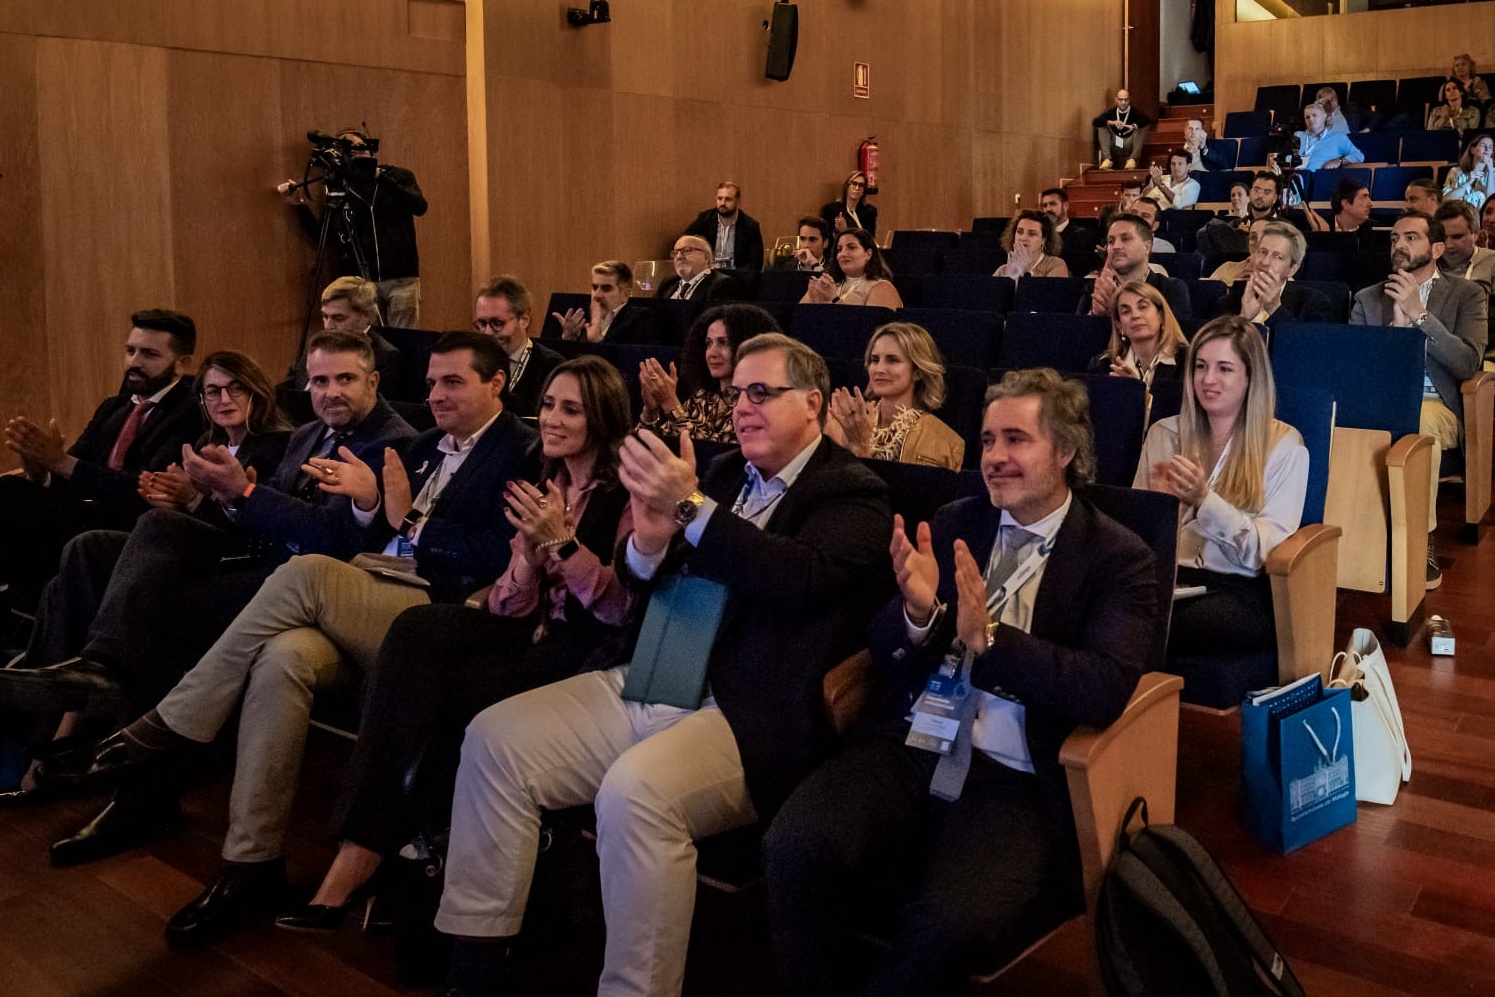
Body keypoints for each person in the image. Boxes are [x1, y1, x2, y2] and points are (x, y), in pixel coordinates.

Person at [429, 333, 893, 997]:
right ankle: (476, 968)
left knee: (634, 792)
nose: (742, 407)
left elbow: (798, 579)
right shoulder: (723, 472)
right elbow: (650, 576)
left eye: (762, 392)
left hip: (748, 710)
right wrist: (647, 542)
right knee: (495, 740)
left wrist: (688, 507)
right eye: (736, 394)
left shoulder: (851, 491)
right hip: (661, 669)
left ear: (813, 403)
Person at [40, 332, 540, 947]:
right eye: (432, 381)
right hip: (366, 588)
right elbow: (372, 530)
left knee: (295, 575)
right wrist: (365, 506)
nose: (435, 394)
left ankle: (168, 720)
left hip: (433, 614)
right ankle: (252, 863)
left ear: (497, 383)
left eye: (453, 382)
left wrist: (400, 517)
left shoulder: (521, 449)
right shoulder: (427, 444)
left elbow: (492, 554)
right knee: (282, 658)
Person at [763, 368, 1157, 996]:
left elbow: (1104, 687)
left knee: (948, 924)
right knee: (793, 848)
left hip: (1016, 777)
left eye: (1016, 440)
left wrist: (992, 642)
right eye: (988, 440)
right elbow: (883, 645)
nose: (995, 458)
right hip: (911, 744)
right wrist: (918, 616)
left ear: (1065, 451)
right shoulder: (954, 521)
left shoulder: (1118, 558)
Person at [276, 356, 637, 932]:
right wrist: (522, 568)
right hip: (530, 629)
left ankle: (379, 857)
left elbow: (619, 609)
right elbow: (512, 603)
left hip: (585, 652)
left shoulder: (626, 497)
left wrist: (562, 545)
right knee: (419, 630)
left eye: (571, 408)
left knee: (444, 694)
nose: (552, 418)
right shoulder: (550, 483)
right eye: (547, 404)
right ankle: (374, 846)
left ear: (602, 418)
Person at [0, 334, 417, 746]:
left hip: (304, 581)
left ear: (374, 382)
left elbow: (331, 538)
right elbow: (256, 512)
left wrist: (242, 494)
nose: (331, 393)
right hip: (255, 555)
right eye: (320, 382)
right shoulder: (307, 434)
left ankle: (108, 744)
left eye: (345, 379)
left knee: (156, 598)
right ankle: (71, 692)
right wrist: (226, 497)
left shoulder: (392, 443)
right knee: (99, 545)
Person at [0, 352, 293, 796]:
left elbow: (263, 527)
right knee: (85, 550)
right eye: (213, 390)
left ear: (257, 392)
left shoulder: (278, 445)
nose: (224, 398)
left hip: (234, 561)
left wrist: (193, 505)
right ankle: (59, 704)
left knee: (143, 534)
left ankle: (58, 726)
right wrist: (174, 500)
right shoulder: (200, 442)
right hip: (186, 546)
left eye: (236, 388)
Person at [1135, 316, 1307, 690]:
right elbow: (1137, 537)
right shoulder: (1164, 434)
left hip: (1236, 588)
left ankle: (1128, 714)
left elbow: (1264, 552)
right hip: (1168, 578)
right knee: (1118, 602)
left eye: (1224, 369)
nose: (1207, 379)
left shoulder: (1284, 447)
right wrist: (1161, 510)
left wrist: (1203, 501)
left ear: (1250, 379)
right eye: (1200, 366)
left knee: (1135, 617)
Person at [0, 309, 203, 611]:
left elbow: (149, 487)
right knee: (10, 489)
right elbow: (70, 471)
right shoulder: (114, 408)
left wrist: (61, 463)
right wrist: (39, 468)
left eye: (149, 354)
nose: (134, 362)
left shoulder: (190, 413)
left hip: (128, 524)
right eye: (130, 351)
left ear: (182, 364)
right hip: (84, 513)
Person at [1350, 211, 1489, 589]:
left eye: (1411, 238)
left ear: (1438, 248)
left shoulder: (1467, 294)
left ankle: (1420, 538)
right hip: (1380, 397)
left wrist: (1419, 314)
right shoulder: (1368, 297)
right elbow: (1356, 366)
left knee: (1417, 423)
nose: (1399, 245)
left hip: (1436, 404)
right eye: (1394, 238)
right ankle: (1353, 543)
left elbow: (1466, 363)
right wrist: (1395, 331)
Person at [276, 129, 427, 328]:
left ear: (370, 150)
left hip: (402, 279)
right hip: (363, 283)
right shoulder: (341, 187)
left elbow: (419, 206)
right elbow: (325, 236)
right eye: (348, 149)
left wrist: (378, 177)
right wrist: (301, 206)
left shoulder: (398, 175)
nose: (355, 153)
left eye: (358, 147)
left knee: (406, 342)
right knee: (369, 341)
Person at [826, 322, 965, 471]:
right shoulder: (848, 422)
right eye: (874, 360)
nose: (879, 369)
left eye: (892, 360)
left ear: (917, 371)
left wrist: (860, 449)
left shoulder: (944, 442)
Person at [638, 303, 783, 443]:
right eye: (709, 343)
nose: (711, 353)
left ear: (750, 347)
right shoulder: (703, 399)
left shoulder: (756, 405)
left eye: (723, 342)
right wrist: (650, 412)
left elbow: (713, 455)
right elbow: (646, 450)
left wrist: (671, 404)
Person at [280, 277, 407, 392]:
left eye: (338, 318)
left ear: (366, 316)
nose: (328, 326)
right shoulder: (316, 346)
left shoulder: (385, 357)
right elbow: (286, 389)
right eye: (325, 317)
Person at [1209, 221, 1336, 328]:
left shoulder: (1314, 304)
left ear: (1293, 269)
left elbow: (1307, 352)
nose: (1264, 262)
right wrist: (1243, 319)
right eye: (1262, 252)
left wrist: (1274, 307)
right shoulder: (1227, 303)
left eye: (1277, 257)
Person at [472, 275, 564, 417]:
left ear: (524, 320)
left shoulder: (552, 367)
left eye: (497, 323)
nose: (487, 333)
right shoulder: (470, 363)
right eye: (482, 324)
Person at [1083, 213, 1192, 319]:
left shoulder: (1171, 289)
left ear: (1147, 247)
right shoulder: (1095, 289)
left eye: (1125, 239)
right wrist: (1095, 315)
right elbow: (1078, 333)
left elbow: (1175, 333)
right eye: (1111, 241)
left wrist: (1115, 309)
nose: (1116, 246)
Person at [1089, 280, 1187, 391]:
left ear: (1161, 316)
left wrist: (1137, 391)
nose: (1135, 315)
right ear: (1119, 326)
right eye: (1126, 311)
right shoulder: (1103, 366)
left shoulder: (1187, 362)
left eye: (1143, 307)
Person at [554, 261, 661, 344]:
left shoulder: (640, 318)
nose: (597, 295)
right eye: (595, 287)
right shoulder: (579, 318)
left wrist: (598, 341)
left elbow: (630, 362)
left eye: (606, 288)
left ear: (625, 294)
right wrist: (568, 338)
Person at [802, 228, 904, 308]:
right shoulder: (826, 284)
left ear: (868, 254)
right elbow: (800, 317)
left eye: (851, 247)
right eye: (839, 249)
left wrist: (833, 301)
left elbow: (868, 330)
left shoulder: (881, 287)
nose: (843, 254)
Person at [1196, 172, 1284, 259]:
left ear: (1275, 198)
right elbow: (1203, 235)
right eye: (1257, 190)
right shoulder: (1238, 223)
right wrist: (1237, 234)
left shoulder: (1283, 227)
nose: (1260, 195)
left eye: (1267, 192)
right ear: (1251, 193)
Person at [684, 180, 764, 271]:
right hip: (709, 275)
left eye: (728, 199)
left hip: (736, 277)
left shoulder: (750, 226)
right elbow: (685, 241)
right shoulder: (705, 220)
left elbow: (756, 262)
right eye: (719, 198)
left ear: (738, 201)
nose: (722, 203)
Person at [1436, 199, 1495, 295]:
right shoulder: (1426, 262)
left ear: (1476, 233)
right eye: (1443, 237)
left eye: (1457, 237)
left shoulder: (1492, 262)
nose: (1448, 245)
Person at [655, 235, 737, 303]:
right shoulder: (668, 283)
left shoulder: (722, 284)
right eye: (675, 253)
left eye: (687, 250)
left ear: (706, 257)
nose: (679, 257)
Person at [1040, 187, 1099, 276]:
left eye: (1053, 204)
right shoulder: (1040, 235)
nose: (1048, 209)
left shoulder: (1081, 235)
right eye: (1045, 205)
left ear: (1066, 206)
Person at [995, 210, 1071, 279]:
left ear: (1044, 239)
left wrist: (1025, 271)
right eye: (1019, 232)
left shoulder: (1055, 265)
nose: (1023, 238)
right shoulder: (1002, 270)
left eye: (1031, 234)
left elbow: (1048, 293)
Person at [1295, 102, 1364, 171]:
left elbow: (1359, 156)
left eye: (1314, 115)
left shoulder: (1338, 138)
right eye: (1307, 117)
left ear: (1324, 117)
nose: (1310, 119)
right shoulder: (1297, 136)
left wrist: (1339, 161)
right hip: (1293, 177)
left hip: (1318, 178)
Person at [1093, 88, 1151, 170]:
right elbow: (1096, 121)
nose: (1123, 102)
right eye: (1120, 100)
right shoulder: (1111, 112)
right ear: (1116, 99)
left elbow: (1147, 119)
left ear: (1129, 100)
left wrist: (1134, 126)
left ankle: (1133, 159)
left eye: (1126, 100)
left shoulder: (1134, 112)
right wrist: (1112, 122)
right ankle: (1107, 159)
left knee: (1142, 127)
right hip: (1115, 143)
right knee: (1102, 125)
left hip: (1129, 143)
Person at [1208, 218, 1271, 287]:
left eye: (1265, 237)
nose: (1258, 243)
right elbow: (1207, 293)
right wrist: (1236, 283)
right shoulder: (1227, 268)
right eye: (1253, 237)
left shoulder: (1281, 272)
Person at [1304, 175, 1373, 234]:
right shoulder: (1318, 226)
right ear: (1346, 204)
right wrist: (1321, 236)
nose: (1370, 204)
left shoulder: (1375, 229)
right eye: (1364, 197)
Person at [1443, 134, 1494, 211]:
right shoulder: (1455, 172)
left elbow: (1492, 203)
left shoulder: (1493, 173)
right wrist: (1467, 182)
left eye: (1490, 147)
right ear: (1472, 150)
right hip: (1457, 213)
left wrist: (1490, 172)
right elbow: (1445, 201)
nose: (1487, 150)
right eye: (1483, 145)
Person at [821, 170, 878, 238]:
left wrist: (846, 230)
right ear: (847, 187)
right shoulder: (831, 210)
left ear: (863, 191)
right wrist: (838, 231)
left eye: (861, 185)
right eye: (854, 184)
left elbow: (870, 238)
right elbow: (827, 239)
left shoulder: (869, 212)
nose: (857, 188)